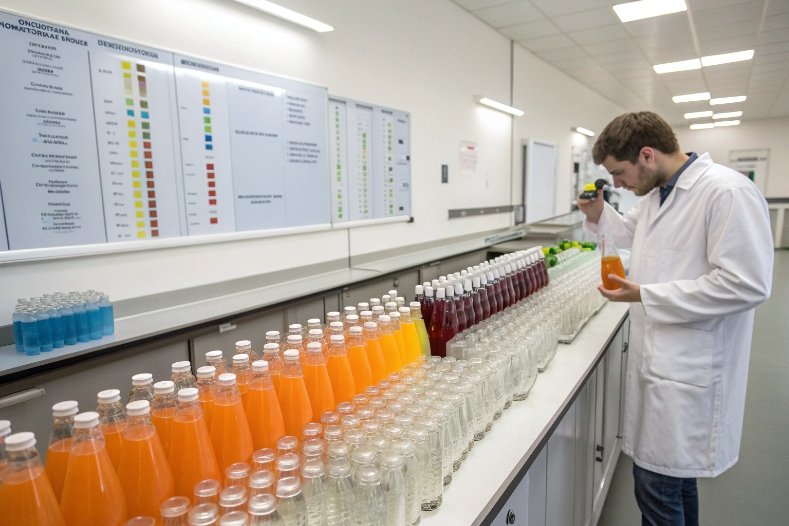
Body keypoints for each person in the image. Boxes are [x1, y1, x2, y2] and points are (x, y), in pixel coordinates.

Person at [578, 112, 773, 526]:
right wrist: (597, 213)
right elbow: (631, 234)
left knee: (657, 489)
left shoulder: (725, 192)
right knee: (676, 484)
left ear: (646, 154)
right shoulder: (658, 195)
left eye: (619, 172)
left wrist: (646, 294)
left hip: (692, 370)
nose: (617, 185)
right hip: (664, 363)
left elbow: (748, 284)